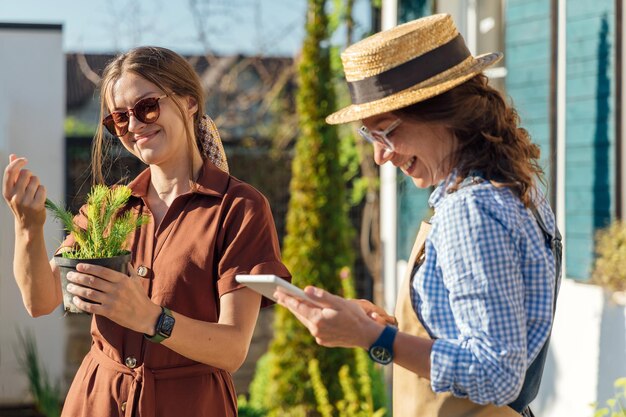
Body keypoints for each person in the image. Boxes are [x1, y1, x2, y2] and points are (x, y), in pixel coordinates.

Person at [274, 14, 561, 417]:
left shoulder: (470, 209)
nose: (380, 155)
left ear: (443, 112)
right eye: (369, 137)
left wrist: (374, 338)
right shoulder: (513, 186)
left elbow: (496, 373)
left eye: (386, 132)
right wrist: (388, 331)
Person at [3, 46, 290, 417]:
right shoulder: (108, 207)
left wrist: (151, 318)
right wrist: (28, 226)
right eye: (119, 119)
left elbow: (233, 349)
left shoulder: (239, 208)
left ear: (188, 102)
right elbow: (40, 300)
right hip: (97, 402)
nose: (135, 126)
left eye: (147, 107)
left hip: (191, 405)